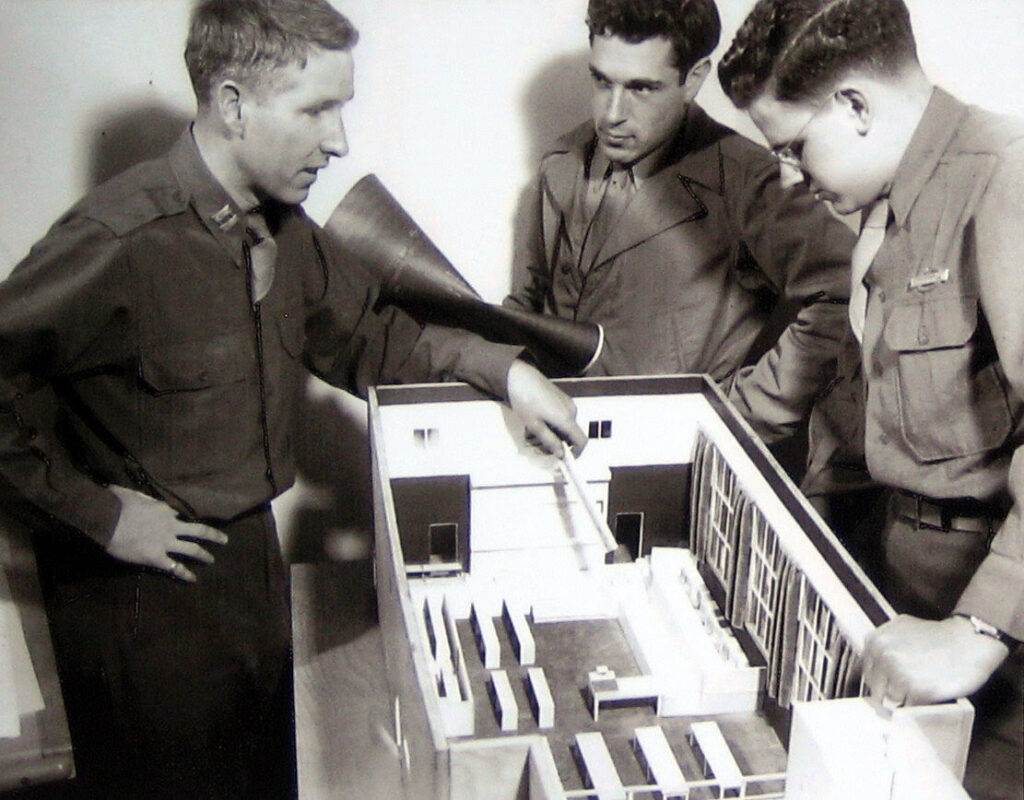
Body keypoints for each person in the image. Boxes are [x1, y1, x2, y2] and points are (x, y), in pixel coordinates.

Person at [0, 1, 586, 797]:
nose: (339, 140)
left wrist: (507, 373)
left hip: (251, 570)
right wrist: (101, 516)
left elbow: (369, 339)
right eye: (318, 109)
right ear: (235, 103)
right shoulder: (119, 240)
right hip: (142, 605)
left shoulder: (286, 229)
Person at [718, 1, 1023, 797]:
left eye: (792, 147)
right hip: (903, 579)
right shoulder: (884, 201)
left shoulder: (1004, 176)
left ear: (855, 106)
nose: (787, 173)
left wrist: (980, 628)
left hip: (996, 623)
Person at [504, 0, 856, 451]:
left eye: (642, 89)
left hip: (665, 460)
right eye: (601, 80)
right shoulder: (563, 162)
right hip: (548, 449)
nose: (612, 114)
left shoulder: (748, 179)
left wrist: (742, 415)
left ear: (693, 79)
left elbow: (845, 287)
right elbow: (522, 309)